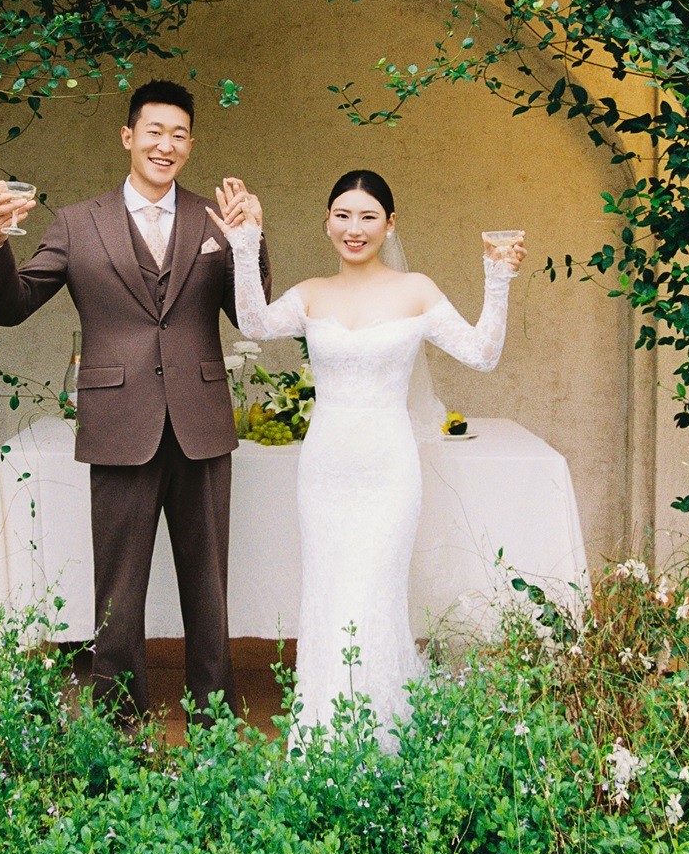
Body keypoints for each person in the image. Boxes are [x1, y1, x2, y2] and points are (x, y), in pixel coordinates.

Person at [0, 80, 271, 729]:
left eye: (179, 135)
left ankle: (214, 727)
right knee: (118, 592)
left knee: (208, 590)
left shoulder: (213, 221)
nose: (166, 145)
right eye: (154, 131)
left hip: (200, 424)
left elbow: (252, 317)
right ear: (128, 136)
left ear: (191, 145)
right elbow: (13, 305)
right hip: (118, 425)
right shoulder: (78, 223)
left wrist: (249, 242)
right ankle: (118, 731)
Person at [207, 169, 525, 749]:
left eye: (368, 217)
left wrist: (497, 277)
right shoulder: (312, 293)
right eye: (343, 216)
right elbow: (253, 323)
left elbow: (482, 354)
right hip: (325, 471)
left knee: (375, 594)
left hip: (388, 471)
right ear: (327, 222)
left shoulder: (417, 290)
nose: (354, 229)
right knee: (328, 594)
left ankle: (384, 739)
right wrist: (246, 243)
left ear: (390, 224)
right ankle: (322, 738)